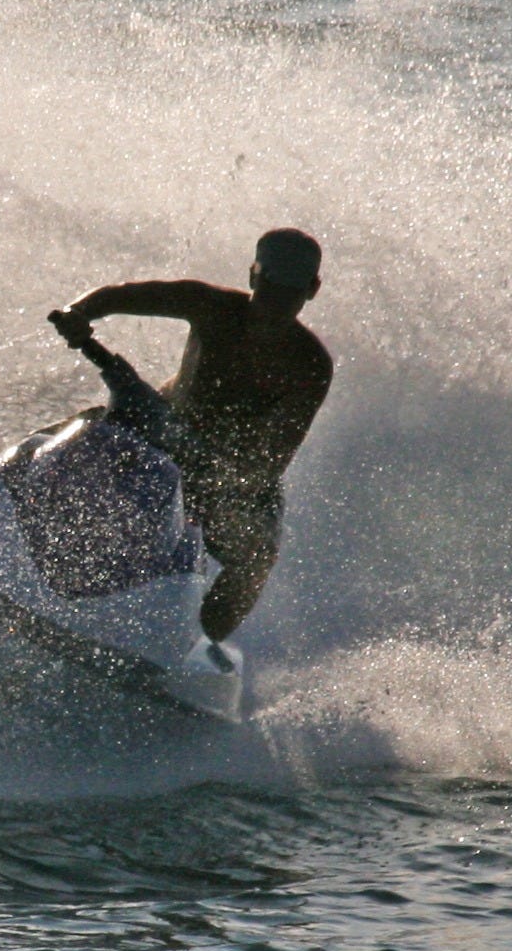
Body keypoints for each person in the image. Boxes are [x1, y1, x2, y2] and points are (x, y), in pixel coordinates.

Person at [43, 227, 332, 641]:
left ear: (312, 290)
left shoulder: (311, 366)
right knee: (71, 438)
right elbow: (117, 296)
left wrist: (222, 480)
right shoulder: (209, 304)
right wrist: (78, 313)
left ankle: (195, 649)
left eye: (289, 294)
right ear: (252, 275)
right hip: (157, 424)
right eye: (269, 287)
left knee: (256, 558)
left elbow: (273, 461)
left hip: (235, 478)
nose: (274, 304)